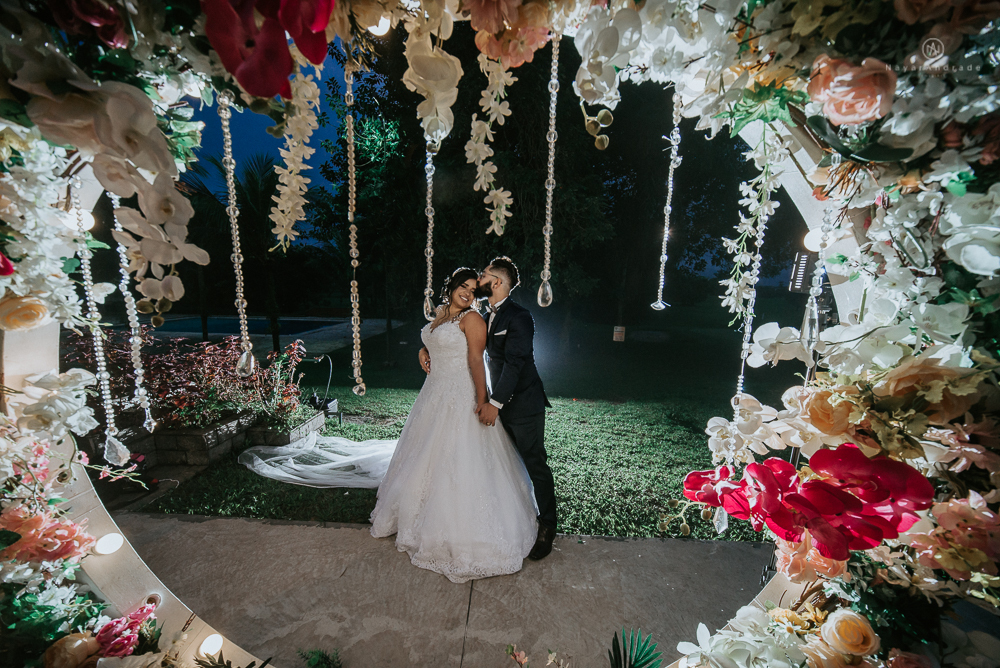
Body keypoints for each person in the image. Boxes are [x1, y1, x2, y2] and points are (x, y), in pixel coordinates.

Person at [240, 268, 538, 583]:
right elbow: (436, 341)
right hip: (434, 393)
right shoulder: (441, 315)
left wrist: (482, 400)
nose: (467, 293)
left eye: (473, 290)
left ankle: (457, 526)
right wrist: (424, 349)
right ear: (451, 287)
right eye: (463, 286)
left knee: (458, 456)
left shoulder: (472, 319)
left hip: (460, 394)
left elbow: (476, 361)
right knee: (425, 453)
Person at [471, 256, 557, 560]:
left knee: (535, 463)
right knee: (506, 464)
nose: (478, 279)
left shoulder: (519, 317)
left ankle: (547, 525)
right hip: (500, 402)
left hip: (523, 404)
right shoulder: (483, 314)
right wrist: (425, 347)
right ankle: (513, 517)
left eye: (482, 275)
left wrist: (494, 403)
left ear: (496, 282)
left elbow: (515, 362)